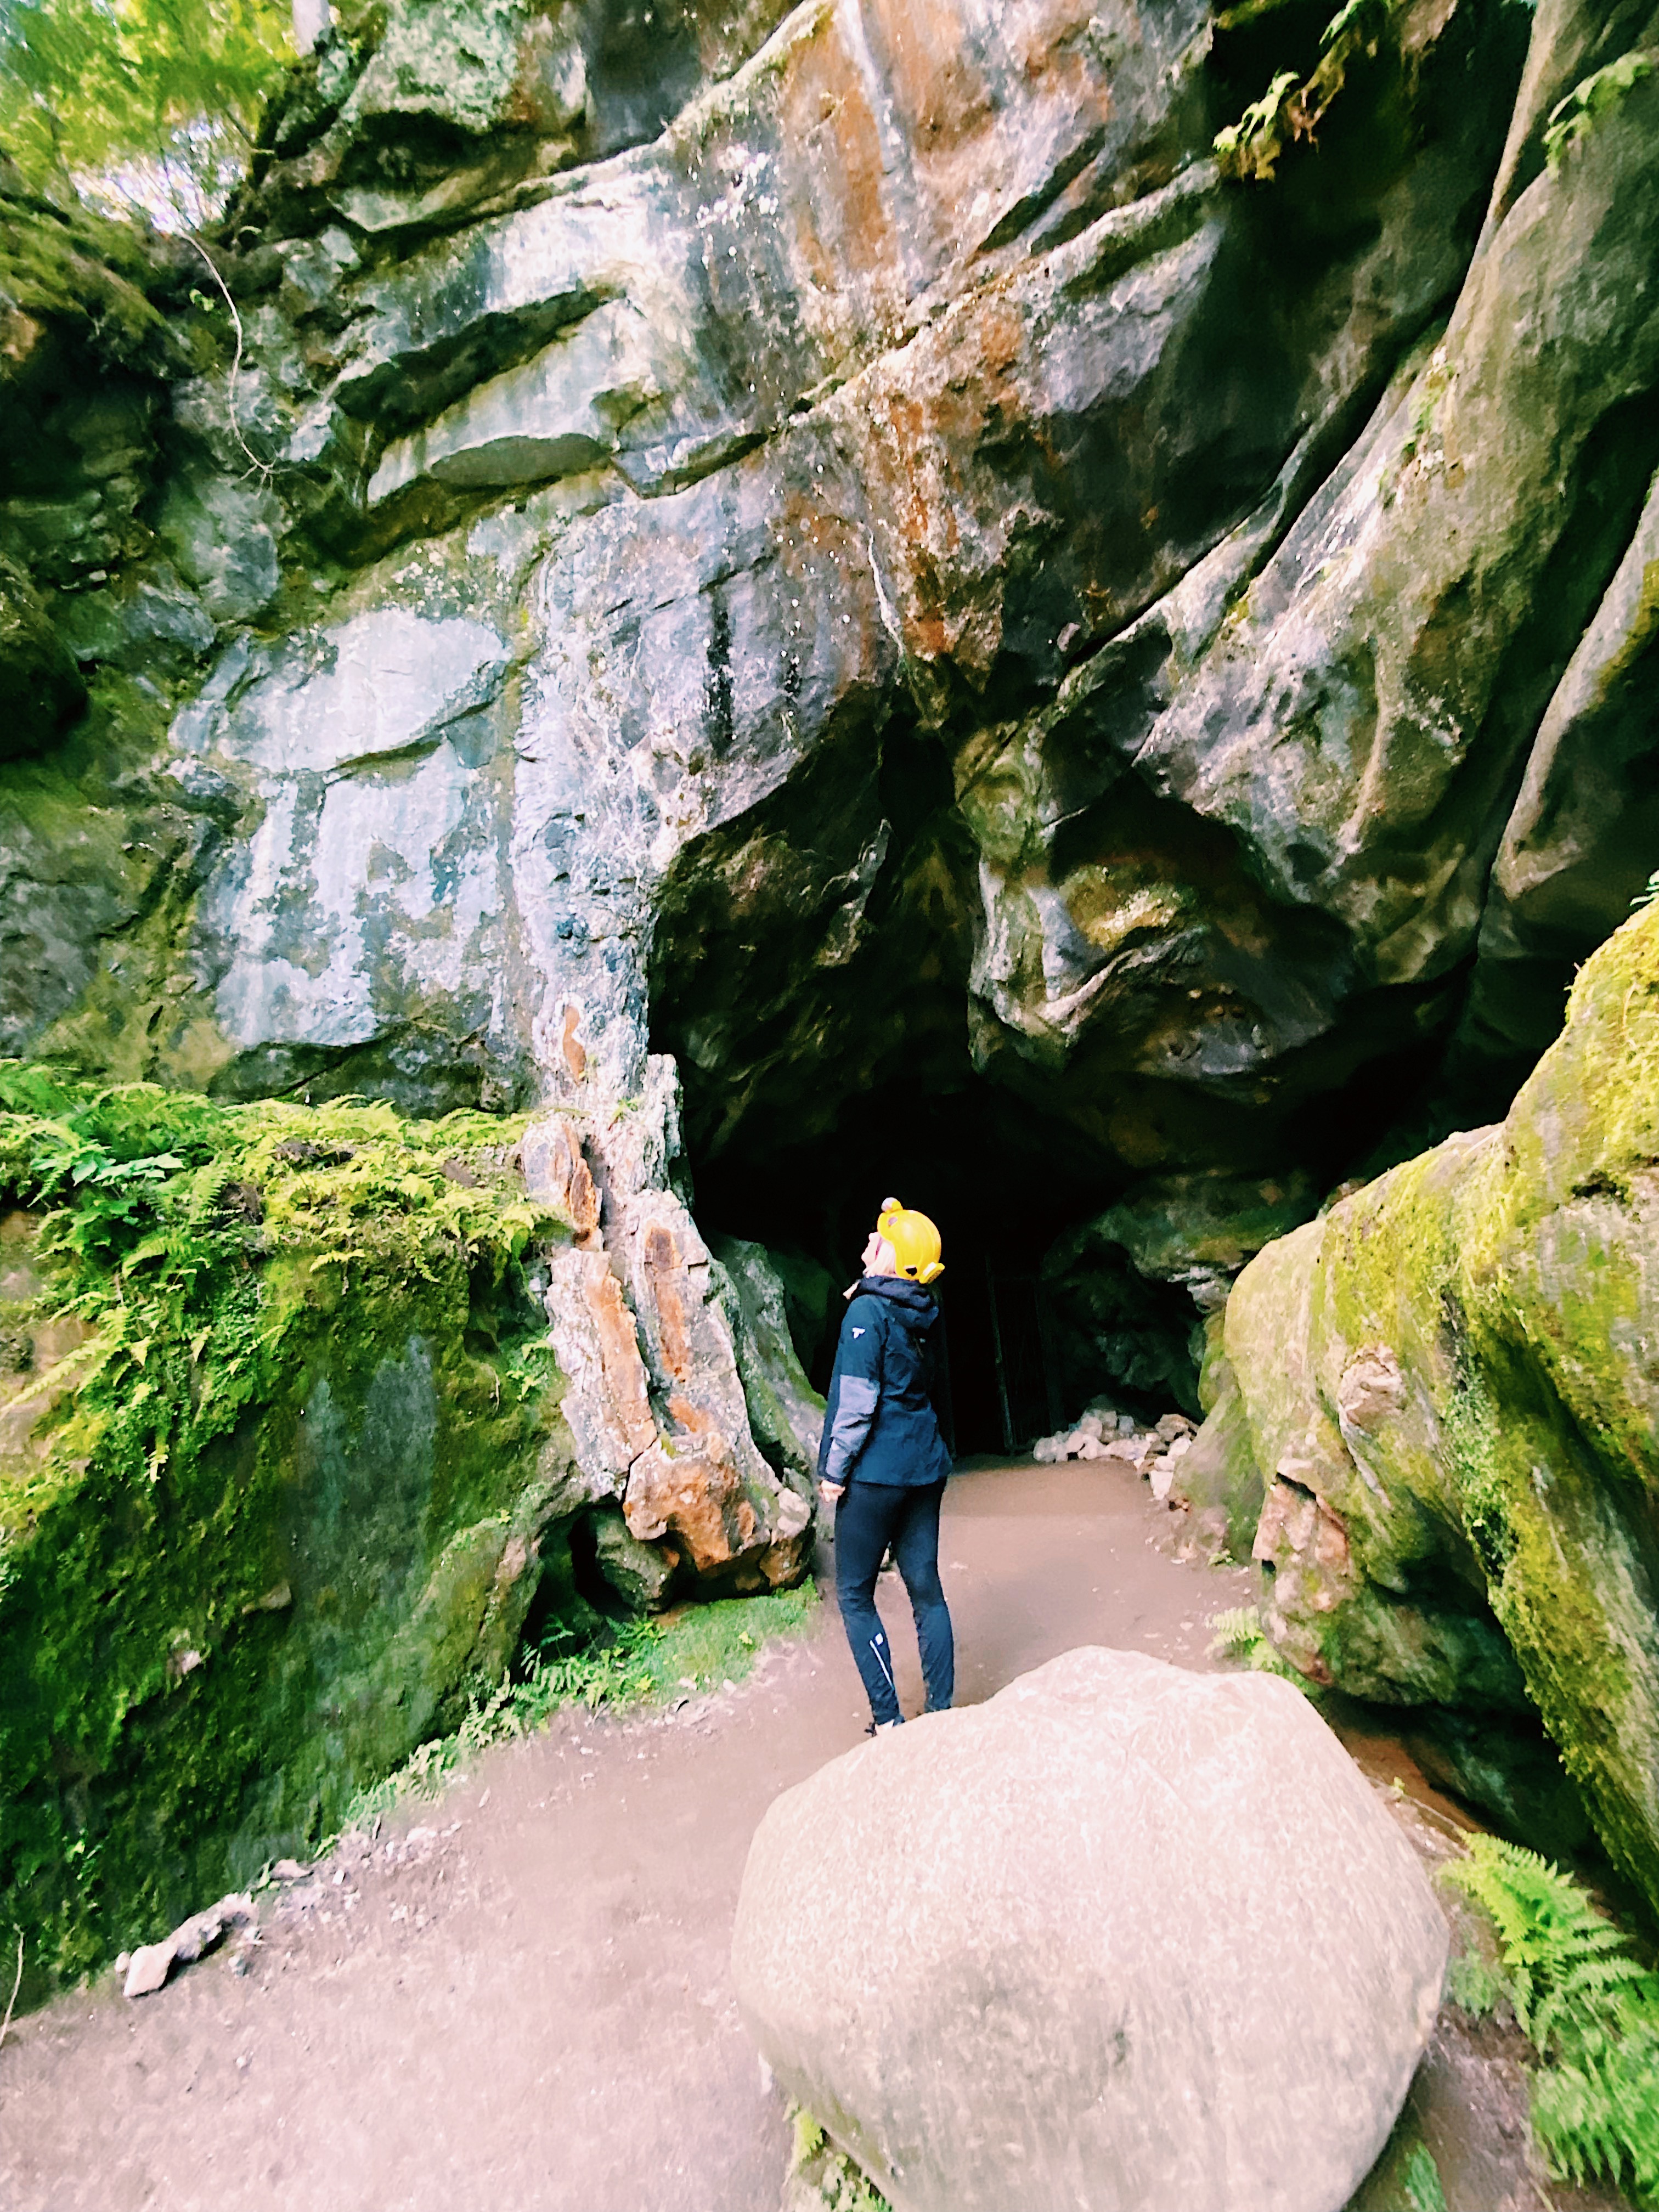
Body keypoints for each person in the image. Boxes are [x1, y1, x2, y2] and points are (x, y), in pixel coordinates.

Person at [817, 1197, 955, 1734]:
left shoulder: (867, 1312)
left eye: (879, 1240)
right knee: (925, 1588)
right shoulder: (924, 1310)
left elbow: (857, 1402)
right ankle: (941, 1713)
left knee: (854, 1595)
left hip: (875, 1474)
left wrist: (834, 1473)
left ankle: (889, 1720)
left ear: (895, 1258)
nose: (868, 1244)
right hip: (924, 1465)